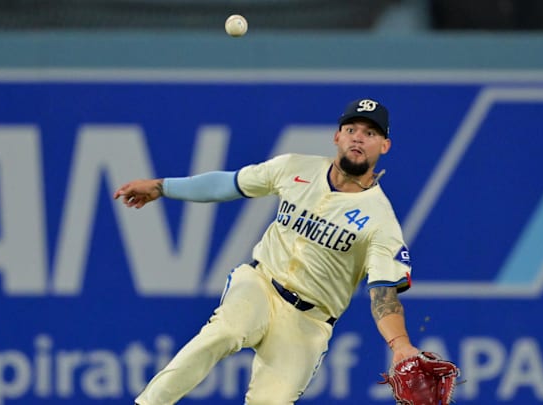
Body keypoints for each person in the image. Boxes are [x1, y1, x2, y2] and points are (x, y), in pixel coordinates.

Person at [113, 98, 420, 405]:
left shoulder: (381, 221)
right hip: (260, 284)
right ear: (337, 136)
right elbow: (229, 184)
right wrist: (162, 186)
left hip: (309, 322)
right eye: (351, 128)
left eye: (370, 133)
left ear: (384, 146)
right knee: (227, 331)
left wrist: (400, 345)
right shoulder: (294, 168)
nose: (358, 137)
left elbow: (384, 295)